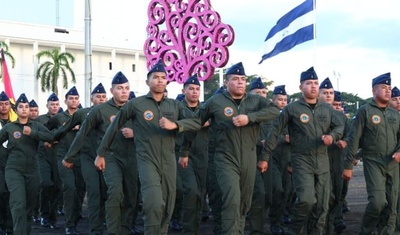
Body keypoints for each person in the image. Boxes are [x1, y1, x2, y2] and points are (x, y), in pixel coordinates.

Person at [172, 62, 280, 234]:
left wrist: (250, 118)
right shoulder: (215, 102)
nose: (240, 82)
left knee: (244, 203)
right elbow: (195, 123)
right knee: (232, 201)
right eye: (235, 79)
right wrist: (183, 146)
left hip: (249, 157)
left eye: (243, 79)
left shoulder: (255, 100)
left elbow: (275, 111)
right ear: (226, 83)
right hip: (225, 158)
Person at [95, 60, 198, 234]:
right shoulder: (136, 104)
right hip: (146, 160)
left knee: (168, 203)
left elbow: (196, 122)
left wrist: (176, 125)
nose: (160, 80)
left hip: (169, 160)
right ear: (147, 82)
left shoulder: (174, 105)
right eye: (156, 77)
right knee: (153, 203)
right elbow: (113, 128)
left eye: (163, 78)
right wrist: (101, 153)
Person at [262, 67, 344, 235]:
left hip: (322, 160)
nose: (313, 86)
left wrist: (332, 136)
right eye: (309, 83)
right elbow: (274, 132)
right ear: (301, 87)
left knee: (322, 204)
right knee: (306, 200)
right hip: (301, 160)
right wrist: (264, 157)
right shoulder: (292, 109)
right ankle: (294, 230)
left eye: (315, 83)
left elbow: (340, 126)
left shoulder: (327, 109)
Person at [65, 72, 139, 235]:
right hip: (109, 157)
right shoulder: (100, 111)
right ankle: (103, 229)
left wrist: (135, 132)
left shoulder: (136, 109)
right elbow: (82, 133)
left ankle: (125, 229)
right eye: (120, 88)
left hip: (132, 158)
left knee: (131, 197)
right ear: (112, 91)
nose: (124, 92)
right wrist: (69, 157)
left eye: (127, 88)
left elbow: (150, 131)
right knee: (112, 193)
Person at [343, 73, 400, 234]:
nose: (388, 91)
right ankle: (366, 231)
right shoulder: (365, 111)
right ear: (374, 90)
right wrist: (348, 165)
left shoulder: (395, 114)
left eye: (389, 88)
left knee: (391, 205)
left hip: (393, 163)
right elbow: (354, 140)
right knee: (377, 202)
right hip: (373, 161)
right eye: (384, 88)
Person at [56, 83, 108, 235]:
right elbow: (63, 129)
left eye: (103, 97)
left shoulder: (112, 114)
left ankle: (96, 219)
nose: (101, 99)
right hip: (83, 158)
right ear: (91, 99)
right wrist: (50, 139)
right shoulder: (82, 114)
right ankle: (73, 224)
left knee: (101, 192)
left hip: (106, 159)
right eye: (98, 97)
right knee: (86, 191)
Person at [0, 93, 53, 235]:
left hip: (32, 170)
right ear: (16, 110)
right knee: (18, 204)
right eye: (21, 107)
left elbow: (51, 137)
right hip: (14, 170)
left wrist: (33, 133)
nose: (24, 109)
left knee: (29, 207)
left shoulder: (36, 126)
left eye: (26, 107)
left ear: (30, 110)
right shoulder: (9, 128)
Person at [46, 86, 84, 235]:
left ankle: (74, 218)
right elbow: (46, 128)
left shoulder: (84, 115)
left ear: (79, 101)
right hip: (63, 156)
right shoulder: (59, 117)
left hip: (81, 156)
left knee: (80, 189)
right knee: (69, 187)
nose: (73, 101)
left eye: (76, 98)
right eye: (71, 98)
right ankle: (68, 224)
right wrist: (51, 139)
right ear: (65, 101)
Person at [175, 74, 210, 234]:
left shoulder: (206, 110)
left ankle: (193, 228)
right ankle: (187, 227)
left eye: (197, 89)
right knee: (190, 190)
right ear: (184, 90)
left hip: (203, 156)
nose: (195, 92)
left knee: (200, 194)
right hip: (183, 156)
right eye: (191, 89)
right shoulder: (176, 108)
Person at [317, 79, 350, 234]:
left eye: (331, 93)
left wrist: (344, 141)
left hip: (337, 159)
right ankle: (320, 227)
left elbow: (352, 135)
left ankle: (332, 225)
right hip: (317, 160)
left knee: (337, 194)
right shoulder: (313, 113)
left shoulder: (341, 117)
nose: (329, 96)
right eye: (325, 93)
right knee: (323, 197)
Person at [247, 77, 274, 234]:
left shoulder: (271, 113)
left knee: (268, 195)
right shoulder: (245, 111)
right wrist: (259, 141)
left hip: (267, 158)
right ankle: (255, 229)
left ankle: (257, 219)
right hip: (250, 157)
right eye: (258, 92)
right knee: (258, 192)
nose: (262, 95)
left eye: (264, 92)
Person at [267, 85, 291, 235]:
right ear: (273, 100)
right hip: (272, 158)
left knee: (287, 192)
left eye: (284, 100)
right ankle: (274, 221)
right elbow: (266, 138)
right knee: (277, 189)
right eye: (279, 99)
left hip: (288, 158)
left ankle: (281, 218)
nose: (282, 102)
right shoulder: (267, 116)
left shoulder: (290, 117)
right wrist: (283, 138)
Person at [35, 93, 61, 230]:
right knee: (45, 184)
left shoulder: (63, 119)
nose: (54, 107)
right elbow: (36, 135)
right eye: (52, 104)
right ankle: (44, 214)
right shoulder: (40, 120)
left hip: (58, 156)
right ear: (47, 106)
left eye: (56, 104)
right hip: (43, 155)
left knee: (57, 187)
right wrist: (47, 139)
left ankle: (52, 217)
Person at [0, 92, 13, 235]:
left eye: (6, 104)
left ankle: (9, 226)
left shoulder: (14, 123)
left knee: (10, 195)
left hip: (11, 164)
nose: (3, 106)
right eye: (1, 104)